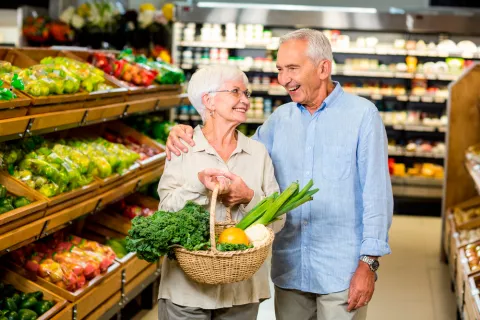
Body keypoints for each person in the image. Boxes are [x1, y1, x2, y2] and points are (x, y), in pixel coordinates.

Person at [165, 28, 393, 320]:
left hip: (342, 271)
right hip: (290, 271)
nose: (283, 79)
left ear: (323, 68)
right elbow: (233, 153)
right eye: (280, 69)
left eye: (292, 69)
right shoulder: (279, 120)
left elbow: (377, 196)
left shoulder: (362, 116)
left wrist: (368, 264)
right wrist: (190, 132)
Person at [157, 64, 282, 320]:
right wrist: (198, 185)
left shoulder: (258, 153)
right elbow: (165, 211)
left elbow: (279, 221)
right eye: (236, 92)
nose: (245, 100)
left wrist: (248, 197)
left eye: (246, 93)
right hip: (187, 293)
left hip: (242, 293)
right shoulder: (183, 147)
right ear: (208, 100)